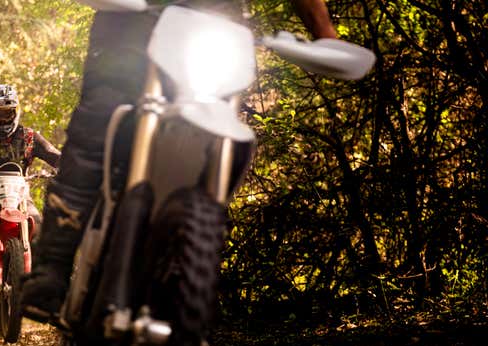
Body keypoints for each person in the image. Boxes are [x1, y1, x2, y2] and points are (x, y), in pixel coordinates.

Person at [20, 0, 338, 320]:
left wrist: (326, 35)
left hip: (217, 31)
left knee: (224, 134)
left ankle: (193, 260)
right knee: (97, 125)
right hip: (130, 26)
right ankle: (52, 267)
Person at [0, 84, 61, 303]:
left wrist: (66, 166)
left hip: (20, 198)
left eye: (6, 113)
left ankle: (39, 282)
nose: (1, 119)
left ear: (15, 112)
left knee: (38, 223)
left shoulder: (29, 137)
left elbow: (54, 155)